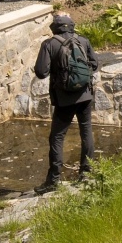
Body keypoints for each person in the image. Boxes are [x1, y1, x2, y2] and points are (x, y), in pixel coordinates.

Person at [33, 12, 99, 192]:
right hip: (85, 95)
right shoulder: (83, 41)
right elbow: (94, 64)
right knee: (86, 131)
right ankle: (86, 172)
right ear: (71, 26)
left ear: (55, 27)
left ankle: (53, 180)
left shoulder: (49, 44)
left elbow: (41, 72)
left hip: (64, 99)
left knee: (57, 136)